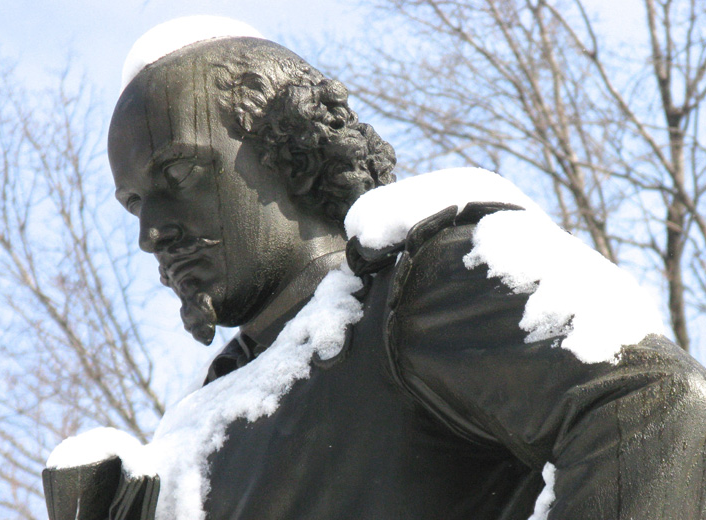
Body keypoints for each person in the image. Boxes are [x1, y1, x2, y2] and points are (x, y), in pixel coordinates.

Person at [45, 18, 706, 520]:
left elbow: (648, 404)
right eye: (134, 202)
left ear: (291, 150)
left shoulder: (417, 285)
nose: (150, 230)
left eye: (177, 173)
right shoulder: (189, 434)